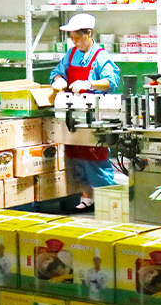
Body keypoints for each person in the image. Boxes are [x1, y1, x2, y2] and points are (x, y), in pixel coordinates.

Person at [48, 13, 121, 211]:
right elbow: (57, 72)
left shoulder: (100, 56)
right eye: (71, 37)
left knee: (94, 158)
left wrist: (89, 83)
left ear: (88, 33)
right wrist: (58, 80)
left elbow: (111, 82)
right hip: (72, 114)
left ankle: (108, 201)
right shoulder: (72, 54)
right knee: (76, 157)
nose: (74, 41)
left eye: (77, 37)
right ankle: (87, 198)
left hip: (93, 116)